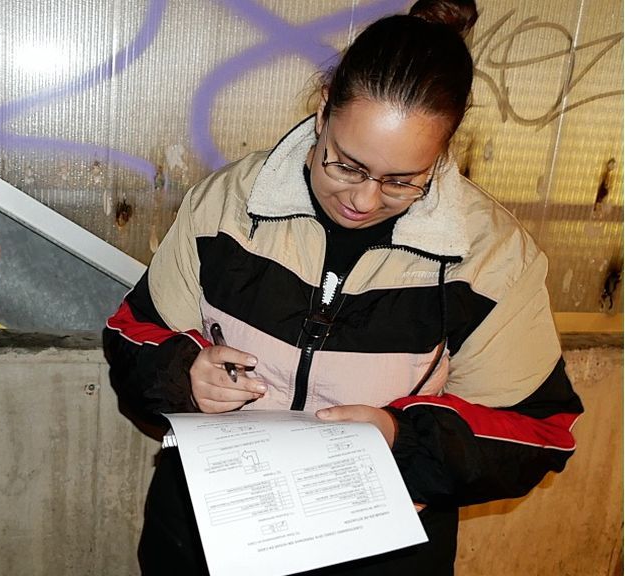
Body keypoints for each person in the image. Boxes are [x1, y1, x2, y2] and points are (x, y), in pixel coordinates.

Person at [102, 1, 583, 574]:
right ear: (324, 109)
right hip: (207, 537)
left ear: (445, 148)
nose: (364, 200)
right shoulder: (228, 204)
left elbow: (537, 431)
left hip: (375, 553)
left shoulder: (491, 257)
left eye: (403, 181)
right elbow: (134, 333)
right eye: (346, 166)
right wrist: (185, 375)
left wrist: (402, 438)